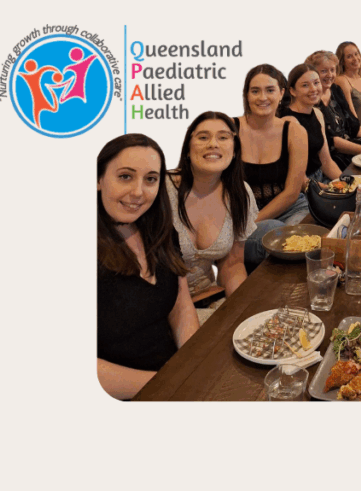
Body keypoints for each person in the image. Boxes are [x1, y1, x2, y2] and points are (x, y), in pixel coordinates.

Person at [97, 133, 199, 400]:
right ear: (98, 179)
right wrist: (169, 385)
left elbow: (181, 305)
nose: (138, 192)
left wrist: (194, 364)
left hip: (173, 375)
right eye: (125, 176)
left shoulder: (161, 232)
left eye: (150, 179)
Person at [165, 112, 259, 324]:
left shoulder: (239, 194)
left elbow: (232, 265)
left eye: (223, 137)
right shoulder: (160, 190)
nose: (213, 144)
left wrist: (243, 309)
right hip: (163, 308)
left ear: (234, 150)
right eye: (203, 137)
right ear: (188, 149)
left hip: (208, 297)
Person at [233, 64, 311, 271]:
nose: (262, 97)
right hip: (244, 216)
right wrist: (247, 224)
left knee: (297, 240)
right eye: (255, 91)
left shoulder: (294, 131)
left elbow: (292, 193)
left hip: (290, 208)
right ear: (246, 95)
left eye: (270, 90)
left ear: (282, 93)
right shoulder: (229, 128)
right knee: (282, 239)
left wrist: (256, 222)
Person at [280, 63, 343, 183]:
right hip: (302, 187)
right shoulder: (289, 121)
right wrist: (325, 190)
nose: (313, 89)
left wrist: (346, 182)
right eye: (305, 85)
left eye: (316, 83)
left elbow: (326, 162)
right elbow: (295, 176)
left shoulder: (318, 113)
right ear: (292, 91)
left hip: (320, 178)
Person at [306, 50, 361, 169]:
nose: (329, 75)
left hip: (351, 147)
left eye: (332, 70)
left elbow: (354, 125)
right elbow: (332, 141)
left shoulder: (336, 90)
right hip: (334, 157)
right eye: (324, 71)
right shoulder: (311, 99)